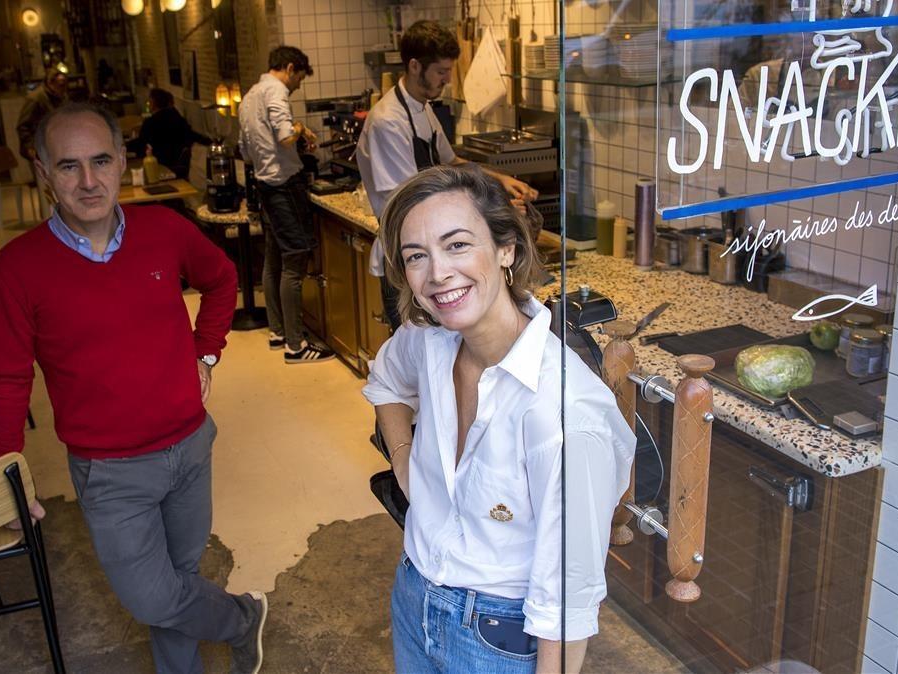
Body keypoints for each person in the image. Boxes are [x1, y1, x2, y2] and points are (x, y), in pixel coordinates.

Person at [0, 102, 268, 674]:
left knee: (179, 583)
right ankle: (242, 618)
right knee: (153, 596)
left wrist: (205, 350)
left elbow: (221, 279)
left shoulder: (164, 230)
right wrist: (3, 478)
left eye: (100, 161)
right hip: (109, 470)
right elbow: (6, 380)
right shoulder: (17, 268)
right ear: (42, 172)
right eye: (68, 166)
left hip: (190, 446)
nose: (88, 181)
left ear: (122, 161)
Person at [362, 165, 636, 674]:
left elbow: (567, 600)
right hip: (413, 592)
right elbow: (385, 381)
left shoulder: (566, 411)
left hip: (498, 636)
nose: (437, 273)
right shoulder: (430, 342)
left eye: (458, 245)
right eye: (416, 256)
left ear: (507, 249)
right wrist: (403, 460)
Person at [357, 20, 539, 331]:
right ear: (415, 66)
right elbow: (406, 203)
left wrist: (497, 180)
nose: (446, 79)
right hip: (409, 260)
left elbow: (450, 161)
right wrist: (498, 212)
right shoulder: (388, 121)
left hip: (433, 251)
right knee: (420, 359)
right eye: (441, 72)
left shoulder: (423, 108)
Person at [238, 46, 334, 363]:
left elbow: (246, 153)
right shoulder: (276, 91)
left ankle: (278, 332)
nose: (297, 86)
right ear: (290, 68)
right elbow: (284, 137)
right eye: (299, 79)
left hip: (264, 184)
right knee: (295, 262)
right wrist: (300, 129)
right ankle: (296, 346)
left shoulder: (250, 96)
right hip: (284, 185)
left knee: (273, 259)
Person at [127, 88, 211, 180]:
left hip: (158, 166)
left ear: (153, 102)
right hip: (179, 165)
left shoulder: (151, 122)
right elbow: (192, 136)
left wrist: (123, 146)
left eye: (150, 100)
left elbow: (141, 144)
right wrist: (210, 142)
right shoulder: (177, 119)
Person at [16, 68, 69, 161]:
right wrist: (30, 147)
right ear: (50, 83)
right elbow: (23, 126)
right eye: (61, 85)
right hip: (38, 146)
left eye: (65, 85)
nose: (64, 88)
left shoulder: (61, 96)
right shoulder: (36, 99)